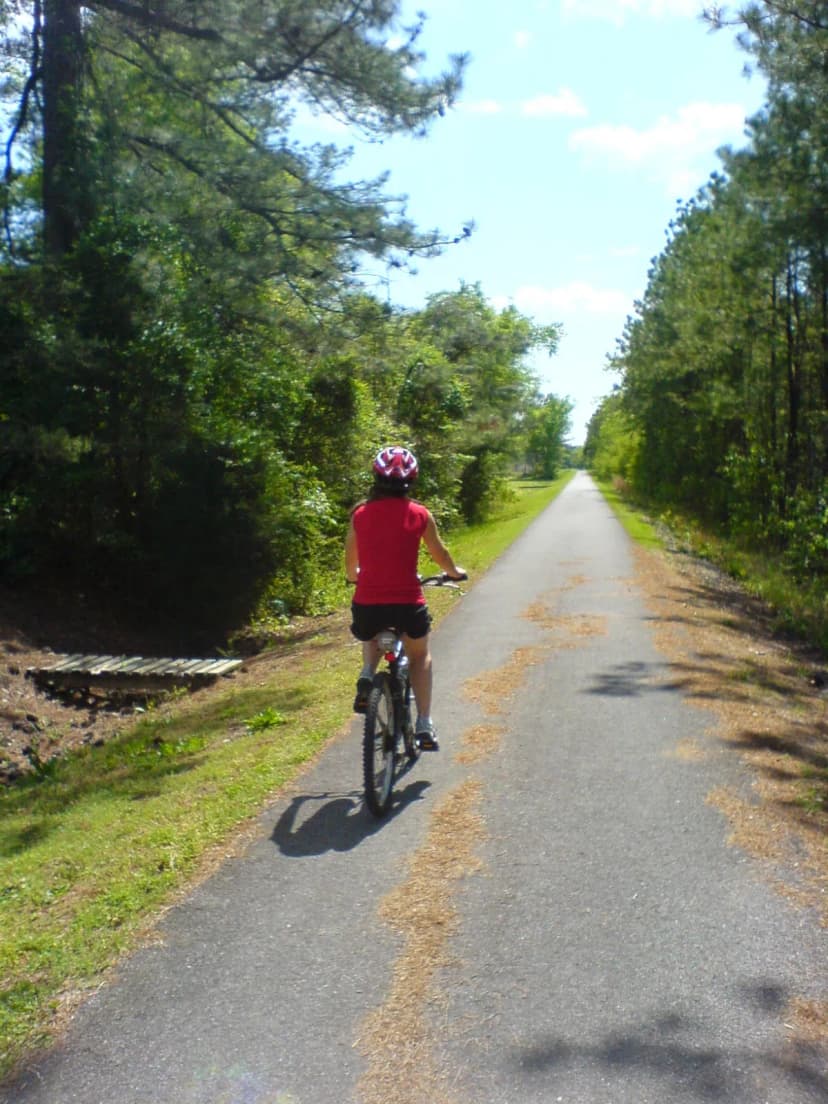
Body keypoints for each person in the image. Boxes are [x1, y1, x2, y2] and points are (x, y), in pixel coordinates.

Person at [345, 446, 466, 752]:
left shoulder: (359, 515)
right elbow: (439, 553)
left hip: (368, 605)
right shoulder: (419, 514)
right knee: (419, 656)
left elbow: (350, 562)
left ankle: (367, 675)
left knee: (371, 632)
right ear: (412, 479)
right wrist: (453, 573)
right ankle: (424, 722)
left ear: (376, 477)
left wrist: (355, 576)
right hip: (408, 605)